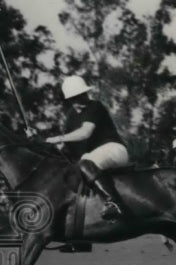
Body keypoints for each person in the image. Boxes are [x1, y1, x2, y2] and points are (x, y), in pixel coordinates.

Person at [45, 76, 128, 221]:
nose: (79, 100)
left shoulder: (94, 106)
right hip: (92, 157)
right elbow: (67, 146)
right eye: (74, 98)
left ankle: (114, 202)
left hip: (115, 149)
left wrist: (58, 138)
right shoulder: (71, 116)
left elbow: (85, 132)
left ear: (86, 94)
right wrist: (39, 139)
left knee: (85, 162)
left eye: (81, 96)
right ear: (69, 99)